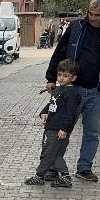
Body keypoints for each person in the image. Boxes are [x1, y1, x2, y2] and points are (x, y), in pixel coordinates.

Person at [45, 0, 100, 182]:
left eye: (97, 15)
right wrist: (51, 78)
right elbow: (59, 51)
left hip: (98, 92)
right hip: (71, 91)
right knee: (61, 129)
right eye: (90, 13)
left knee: (91, 133)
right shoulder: (76, 27)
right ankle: (53, 167)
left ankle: (84, 168)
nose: (92, 18)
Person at [25, 59, 82, 188]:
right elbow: (51, 103)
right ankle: (64, 177)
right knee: (53, 154)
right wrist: (43, 113)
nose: (61, 78)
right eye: (59, 75)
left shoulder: (71, 93)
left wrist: (64, 129)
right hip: (50, 127)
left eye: (65, 76)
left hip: (58, 129)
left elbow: (71, 114)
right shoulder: (58, 89)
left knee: (49, 153)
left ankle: (40, 176)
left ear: (73, 78)